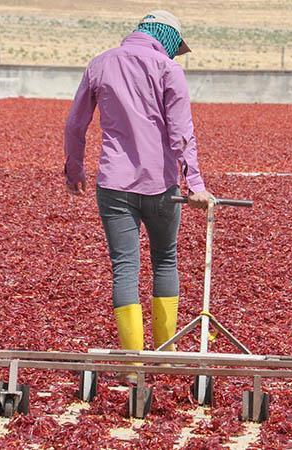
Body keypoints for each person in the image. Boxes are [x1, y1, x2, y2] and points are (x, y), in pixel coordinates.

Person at [63, 10, 213, 379]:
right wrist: (194, 183)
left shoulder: (100, 63)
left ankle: (133, 364)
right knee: (165, 259)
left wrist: (74, 169)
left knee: (125, 268)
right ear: (165, 38)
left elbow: (75, 123)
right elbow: (181, 132)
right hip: (161, 185)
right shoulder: (168, 70)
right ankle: (167, 354)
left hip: (113, 184)